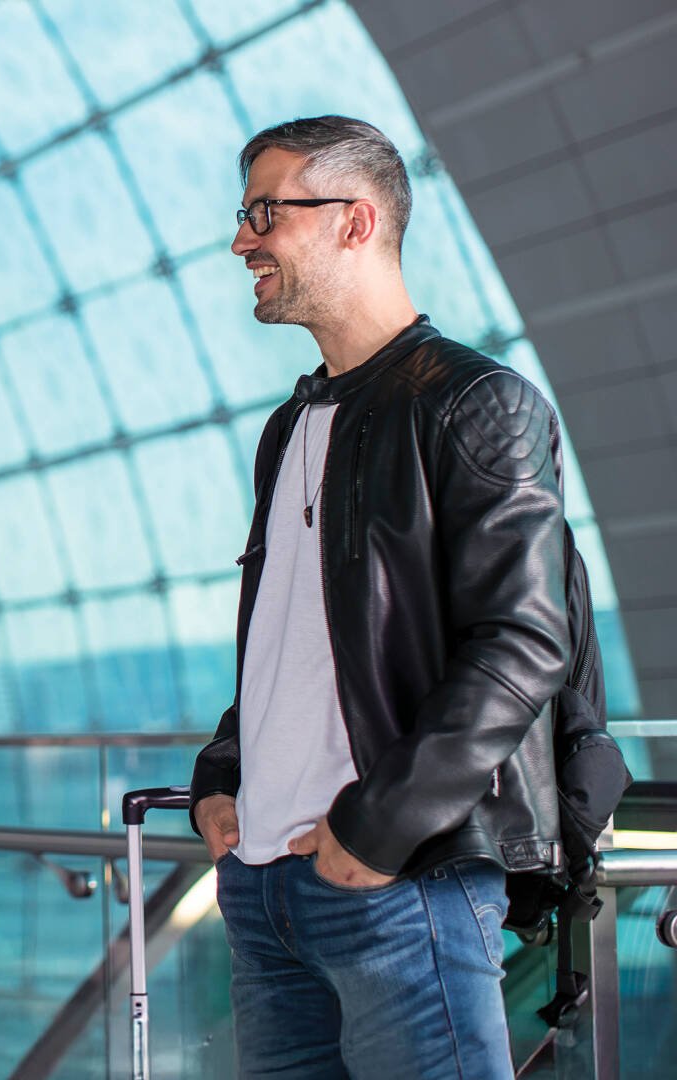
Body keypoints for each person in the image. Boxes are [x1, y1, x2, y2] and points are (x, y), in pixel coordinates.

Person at [189, 116, 570, 1079]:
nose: (241, 242)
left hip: (399, 881)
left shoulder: (476, 402)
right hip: (266, 887)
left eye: (264, 213)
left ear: (355, 221)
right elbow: (291, 640)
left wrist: (381, 826)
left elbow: (522, 642)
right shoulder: (292, 425)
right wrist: (223, 774)